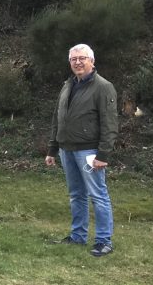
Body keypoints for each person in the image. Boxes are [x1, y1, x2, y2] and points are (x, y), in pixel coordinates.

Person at [45, 43, 118, 257]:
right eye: (73, 59)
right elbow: (57, 118)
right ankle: (78, 236)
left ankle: (104, 240)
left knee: (98, 195)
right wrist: (52, 148)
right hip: (66, 150)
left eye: (82, 58)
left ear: (92, 61)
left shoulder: (103, 87)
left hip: (89, 152)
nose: (77, 62)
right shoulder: (68, 85)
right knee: (76, 195)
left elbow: (110, 124)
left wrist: (103, 154)